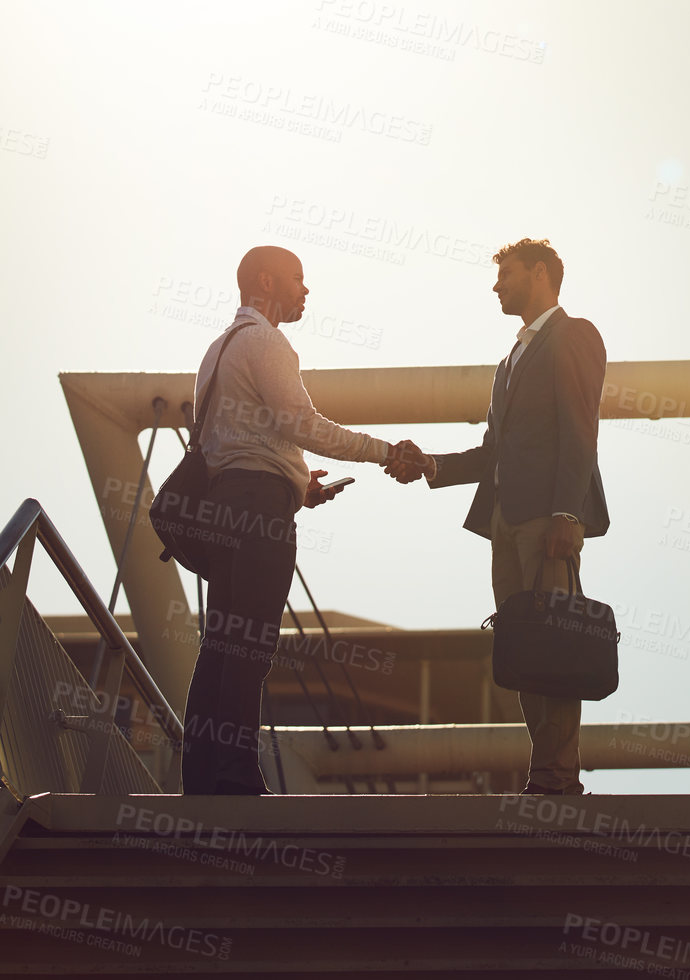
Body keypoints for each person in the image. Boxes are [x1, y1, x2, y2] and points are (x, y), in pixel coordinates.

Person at [386, 237, 608, 795]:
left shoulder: (574, 334)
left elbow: (581, 428)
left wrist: (565, 512)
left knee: (554, 649)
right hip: (505, 524)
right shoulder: (508, 362)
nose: (496, 285)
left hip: (547, 520)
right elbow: (494, 452)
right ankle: (548, 772)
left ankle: (558, 779)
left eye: (505, 274)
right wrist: (431, 464)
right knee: (525, 649)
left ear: (539, 274)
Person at [182, 245, 395, 795]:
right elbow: (304, 424)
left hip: (225, 507)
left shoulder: (216, 352)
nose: (306, 291)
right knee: (250, 642)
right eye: (298, 280)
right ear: (267, 281)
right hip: (257, 512)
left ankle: (202, 776)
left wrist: (297, 487)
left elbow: (234, 446)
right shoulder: (266, 341)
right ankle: (235, 776)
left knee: (221, 643)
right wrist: (384, 451)